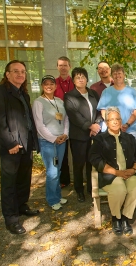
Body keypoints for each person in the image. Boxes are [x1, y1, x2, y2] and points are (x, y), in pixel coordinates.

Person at [0, 60, 40, 234]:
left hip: (25, 144)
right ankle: (11, 218)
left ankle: (21, 206)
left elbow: (28, 120)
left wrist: (33, 141)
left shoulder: (23, 93)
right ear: (7, 74)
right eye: (16, 71)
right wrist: (10, 142)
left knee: (24, 178)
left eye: (23, 71)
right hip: (11, 146)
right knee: (9, 183)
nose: (20, 74)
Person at [89, 107, 136, 236]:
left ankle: (125, 217)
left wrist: (134, 169)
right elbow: (94, 159)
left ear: (121, 121)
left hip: (129, 173)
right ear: (106, 122)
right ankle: (116, 218)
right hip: (110, 175)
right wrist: (116, 172)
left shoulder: (129, 138)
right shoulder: (100, 139)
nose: (114, 122)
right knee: (119, 190)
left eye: (117, 119)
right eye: (111, 119)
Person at [64, 67, 103, 202]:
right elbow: (74, 116)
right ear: (73, 80)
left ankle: (91, 189)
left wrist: (96, 124)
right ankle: (79, 190)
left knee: (91, 163)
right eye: (77, 77)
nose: (81, 79)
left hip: (94, 134)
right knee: (79, 164)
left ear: (87, 79)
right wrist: (89, 126)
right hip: (79, 136)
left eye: (83, 77)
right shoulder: (69, 96)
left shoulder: (93, 93)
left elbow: (99, 110)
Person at [32, 75, 69, 210]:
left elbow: (65, 120)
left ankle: (57, 196)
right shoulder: (38, 102)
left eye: (51, 83)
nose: (49, 86)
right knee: (52, 172)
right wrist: (54, 138)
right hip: (48, 142)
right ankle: (52, 200)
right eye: (46, 84)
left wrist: (65, 134)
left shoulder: (59, 101)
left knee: (58, 170)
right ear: (42, 86)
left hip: (61, 141)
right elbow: (39, 125)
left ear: (55, 86)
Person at [97, 63, 136, 141]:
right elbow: (103, 111)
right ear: (112, 76)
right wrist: (111, 125)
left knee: (131, 153)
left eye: (119, 73)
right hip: (111, 131)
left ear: (124, 75)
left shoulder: (132, 91)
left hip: (131, 130)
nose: (117, 76)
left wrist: (127, 124)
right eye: (114, 73)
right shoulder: (106, 92)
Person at [54, 56, 74, 188]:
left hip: (75, 122)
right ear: (57, 67)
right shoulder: (53, 83)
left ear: (69, 67)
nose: (63, 68)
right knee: (62, 153)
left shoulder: (76, 83)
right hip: (59, 123)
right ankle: (63, 180)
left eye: (65, 65)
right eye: (60, 65)